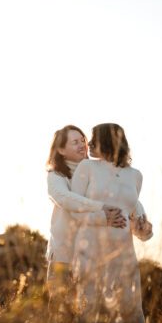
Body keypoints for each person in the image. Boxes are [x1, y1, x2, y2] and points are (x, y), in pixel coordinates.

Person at [70, 123, 153, 323]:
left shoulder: (135, 175)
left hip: (124, 255)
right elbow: (73, 210)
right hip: (90, 252)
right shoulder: (87, 167)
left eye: (94, 139)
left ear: (107, 141)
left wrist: (144, 228)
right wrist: (102, 218)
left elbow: (140, 224)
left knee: (130, 313)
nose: (89, 145)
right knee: (89, 311)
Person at [46, 125, 126, 312]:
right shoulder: (56, 176)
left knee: (91, 313)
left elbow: (122, 195)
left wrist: (139, 216)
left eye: (83, 140)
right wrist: (101, 209)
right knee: (60, 312)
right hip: (63, 257)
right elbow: (65, 198)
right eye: (75, 142)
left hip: (93, 256)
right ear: (60, 150)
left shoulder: (97, 172)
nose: (83, 145)